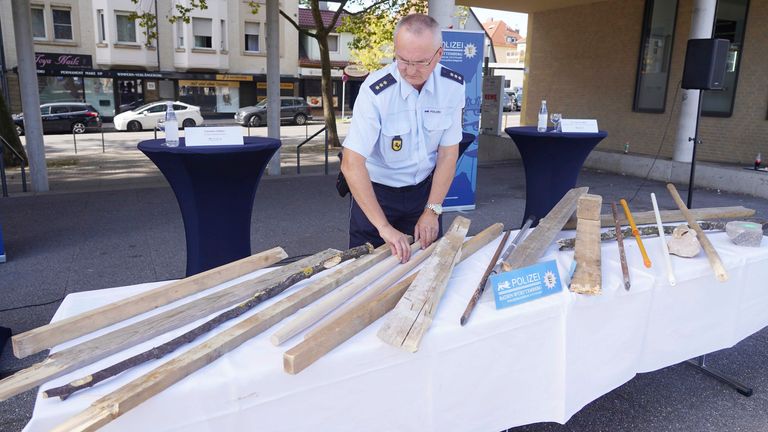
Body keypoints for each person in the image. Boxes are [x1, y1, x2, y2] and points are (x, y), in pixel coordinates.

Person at [341, 13, 465, 263]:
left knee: (424, 269)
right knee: (365, 274)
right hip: (376, 196)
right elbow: (351, 163)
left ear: (439, 54)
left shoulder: (452, 86)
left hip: (424, 194)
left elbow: (448, 154)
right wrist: (384, 228)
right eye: (402, 60)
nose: (409, 71)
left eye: (420, 62)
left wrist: (432, 210)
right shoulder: (376, 91)